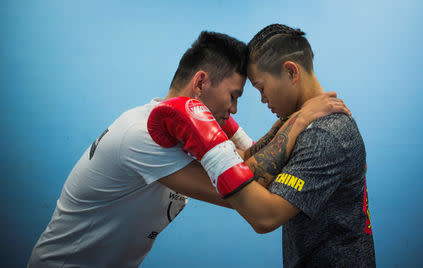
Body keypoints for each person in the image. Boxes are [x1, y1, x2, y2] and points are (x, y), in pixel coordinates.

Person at [28, 31, 349, 268]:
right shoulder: (145, 135)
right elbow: (247, 187)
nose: (234, 109)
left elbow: (246, 163)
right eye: (233, 96)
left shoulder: (184, 129)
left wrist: (285, 124)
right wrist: (300, 119)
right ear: (201, 83)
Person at [150, 25, 375, 267]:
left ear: (291, 72)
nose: (263, 99)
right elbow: (251, 166)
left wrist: (297, 119)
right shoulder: (302, 124)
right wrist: (290, 122)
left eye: (261, 87)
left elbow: (265, 217)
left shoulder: (324, 134)